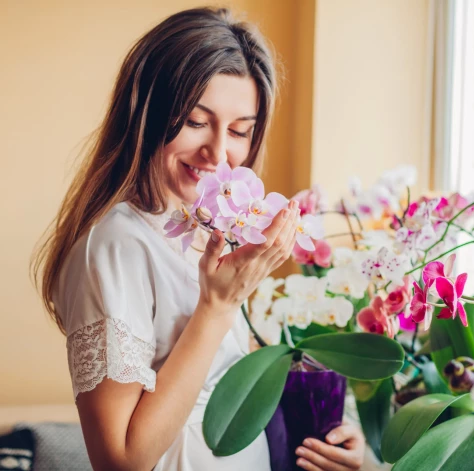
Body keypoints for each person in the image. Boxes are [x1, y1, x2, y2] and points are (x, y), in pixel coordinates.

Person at [32, 7, 365, 471]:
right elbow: (120, 461)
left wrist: (332, 434)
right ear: (146, 112)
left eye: (240, 131)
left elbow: (227, 383)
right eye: (194, 121)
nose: (218, 153)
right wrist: (218, 305)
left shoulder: (203, 228)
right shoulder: (113, 246)